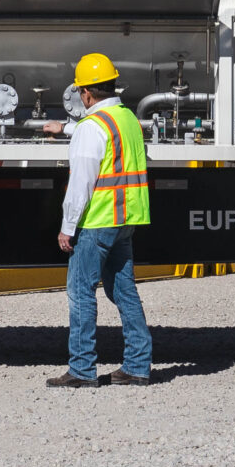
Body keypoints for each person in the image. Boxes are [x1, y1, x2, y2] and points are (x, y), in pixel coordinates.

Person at [38, 52, 153, 387]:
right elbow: (103, 131)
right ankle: (137, 365)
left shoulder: (91, 128)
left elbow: (81, 183)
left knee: (80, 290)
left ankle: (82, 370)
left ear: (86, 93)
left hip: (98, 220)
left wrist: (67, 227)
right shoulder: (127, 118)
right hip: (125, 218)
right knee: (123, 290)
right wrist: (67, 128)